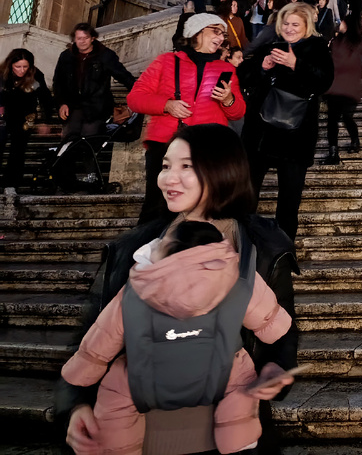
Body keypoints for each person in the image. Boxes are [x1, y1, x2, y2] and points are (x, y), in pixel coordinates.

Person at [60, 124, 298, 455]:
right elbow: (92, 338)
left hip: (228, 435)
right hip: (139, 436)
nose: (168, 178)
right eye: (166, 165)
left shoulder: (262, 248)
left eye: (186, 166)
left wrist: (275, 369)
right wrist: (77, 404)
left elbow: (282, 332)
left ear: (221, 170)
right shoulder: (136, 247)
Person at [60, 218, 292, 455]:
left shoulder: (139, 285)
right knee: (240, 387)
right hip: (219, 370)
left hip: (146, 377)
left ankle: (119, 448)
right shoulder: (235, 277)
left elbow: (104, 335)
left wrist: (81, 374)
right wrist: (277, 329)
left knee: (116, 397)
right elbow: (270, 319)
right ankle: (238, 437)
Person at [127, 14, 246, 223]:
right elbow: (135, 99)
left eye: (223, 34)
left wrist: (228, 99)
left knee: (203, 208)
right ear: (197, 32)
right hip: (165, 145)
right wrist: (166, 105)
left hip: (207, 149)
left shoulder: (226, 69)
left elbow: (238, 112)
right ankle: (145, 253)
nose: (221, 38)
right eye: (215, 31)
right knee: (157, 208)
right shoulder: (166, 61)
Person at [243, 2, 334, 239]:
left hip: (295, 135)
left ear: (307, 26)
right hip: (260, 133)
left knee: (289, 202)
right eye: (285, 23)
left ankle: (282, 254)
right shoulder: (270, 46)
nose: (289, 28)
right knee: (246, 198)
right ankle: (243, 245)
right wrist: (262, 67)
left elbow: (324, 82)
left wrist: (296, 64)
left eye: (295, 24)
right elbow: (243, 75)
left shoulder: (317, 48)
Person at [52, 23, 136, 144]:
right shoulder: (66, 56)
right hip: (73, 105)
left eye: (85, 38)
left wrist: (138, 92)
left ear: (92, 38)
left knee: (89, 142)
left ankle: (89, 161)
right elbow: (58, 82)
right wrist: (62, 103)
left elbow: (123, 75)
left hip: (97, 107)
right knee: (68, 142)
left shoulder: (106, 55)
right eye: (79, 38)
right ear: (74, 39)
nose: (82, 41)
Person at [1, 48, 53, 191]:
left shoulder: (36, 75)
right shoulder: (2, 75)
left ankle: (12, 183)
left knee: (18, 150)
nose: (22, 70)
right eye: (18, 67)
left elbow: (46, 99)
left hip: (25, 117)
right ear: (11, 64)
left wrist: (45, 121)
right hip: (4, 115)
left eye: (25, 66)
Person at [324, 14, 362, 165]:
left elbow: (335, 63)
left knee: (334, 120)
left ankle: (334, 152)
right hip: (349, 87)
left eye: (342, 22)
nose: (340, 24)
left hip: (338, 86)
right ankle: (353, 142)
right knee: (345, 117)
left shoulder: (339, 42)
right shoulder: (359, 43)